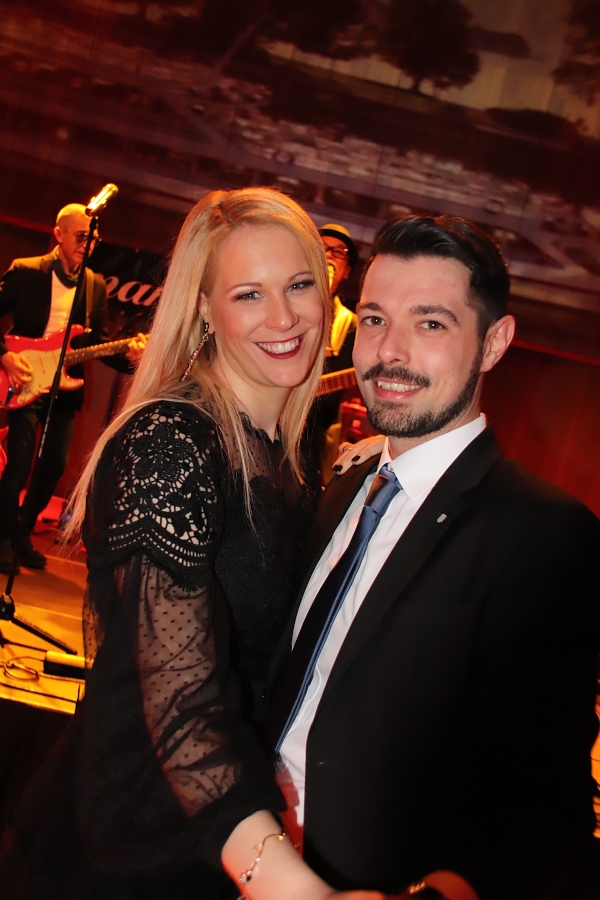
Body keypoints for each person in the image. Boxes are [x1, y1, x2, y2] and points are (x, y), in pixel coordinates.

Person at [0, 188, 389, 900]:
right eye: (249, 294)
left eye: (299, 284)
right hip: (121, 856)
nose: (283, 317)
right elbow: (178, 700)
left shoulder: (285, 458)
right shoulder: (171, 443)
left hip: (208, 848)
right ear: (205, 309)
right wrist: (300, 891)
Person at [269, 215, 600, 900]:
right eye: (373, 319)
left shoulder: (543, 534)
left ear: (494, 343)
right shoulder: (345, 487)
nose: (389, 352)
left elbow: (542, 806)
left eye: (430, 324)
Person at [0, 203, 145, 574]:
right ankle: (2, 538)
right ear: (58, 234)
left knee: (54, 465)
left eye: (92, 239)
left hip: (62, 387)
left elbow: (96, 342)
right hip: (24, 377)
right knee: (18, 464)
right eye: (81, 236)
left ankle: (20, 533)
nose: (87, 244)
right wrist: (5, 356)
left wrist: (131, 358)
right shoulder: (26, 270)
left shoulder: (93, 284)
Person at [311, 224, 359, 483]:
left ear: (347, 270)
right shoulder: (282, 305)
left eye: (338, 252)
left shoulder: (351, 325)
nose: (329, 255)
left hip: (313, 439)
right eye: (322, 248)